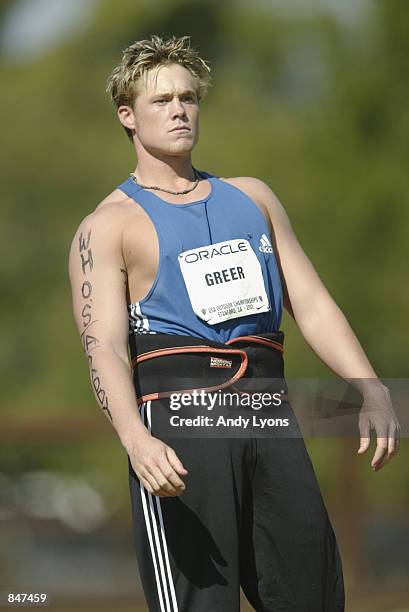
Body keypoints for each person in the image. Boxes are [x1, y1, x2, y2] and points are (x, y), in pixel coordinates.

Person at [68, 34, 400, 612]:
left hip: (268, 416)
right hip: (181, 427)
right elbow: (105, 349)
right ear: (128, 115)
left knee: (314, 594)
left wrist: (369, 386)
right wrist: (134, 438)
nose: (179, 110)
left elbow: (313, 303)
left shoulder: (252, 198)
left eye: (189, 97)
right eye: (161, 100)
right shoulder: (108, 225)